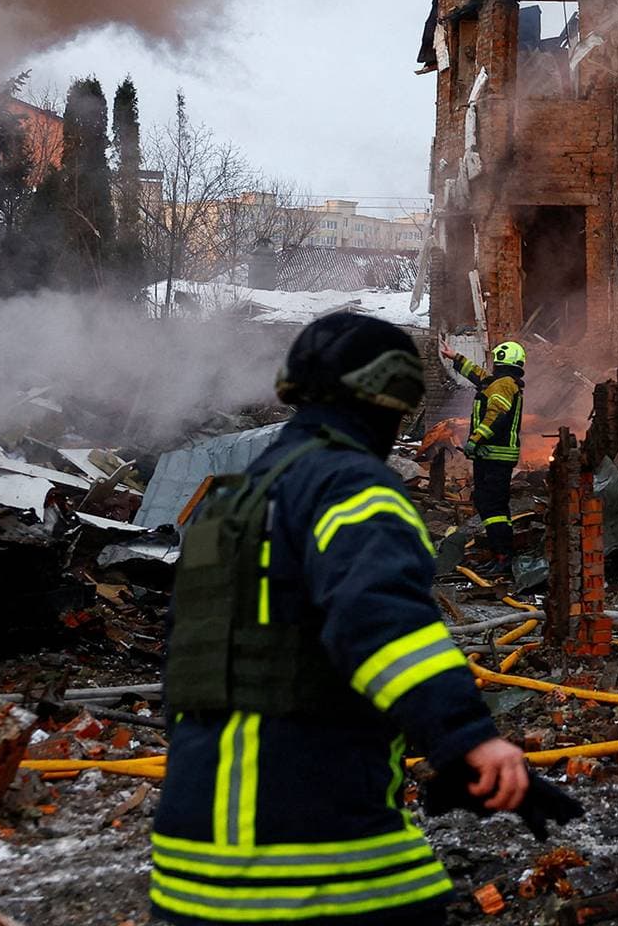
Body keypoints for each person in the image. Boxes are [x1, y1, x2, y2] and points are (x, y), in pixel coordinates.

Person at [151, 314, 530, 925]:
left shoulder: (229, 504)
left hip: (187, 856)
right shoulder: (353, 489)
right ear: (390, 402)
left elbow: (187, 662)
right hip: (306, 840)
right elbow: (381, 621)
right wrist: (468, 738)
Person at [440, 339, 527, 570]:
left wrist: (474, 441)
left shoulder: (504, 385)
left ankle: (503, 556)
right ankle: (498, 553)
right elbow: (479, 376)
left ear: (500, 360)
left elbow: (496, 417)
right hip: (490, 456)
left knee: (494, 506)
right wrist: (455, 357)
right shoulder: (500, 383)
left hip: (495, 457)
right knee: (487, 503)